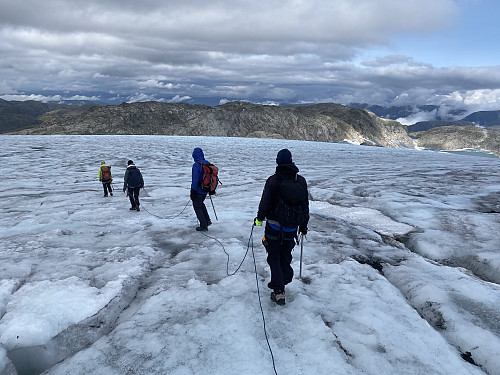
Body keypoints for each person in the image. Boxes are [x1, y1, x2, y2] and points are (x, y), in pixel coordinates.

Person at [254, 149, 309, 306]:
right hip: (291, 227)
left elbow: (265, 203)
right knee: (285, 254)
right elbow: (305, 206)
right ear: (291, 161)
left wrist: (259, 219)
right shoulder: (301, 180)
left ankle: (279, 291)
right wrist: (304, 226)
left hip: (274, 226)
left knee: (273, 256)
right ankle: (284, 279)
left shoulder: (273, 180)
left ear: (278, 161)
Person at [191, 147, 212, 231]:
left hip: (199, 190)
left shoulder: (197, 165)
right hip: (205, 189)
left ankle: (203, 226)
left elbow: (195, 180)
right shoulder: (207, 163)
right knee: (201, 203)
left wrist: (193, 191)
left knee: (197, 206)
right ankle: (207, 220)